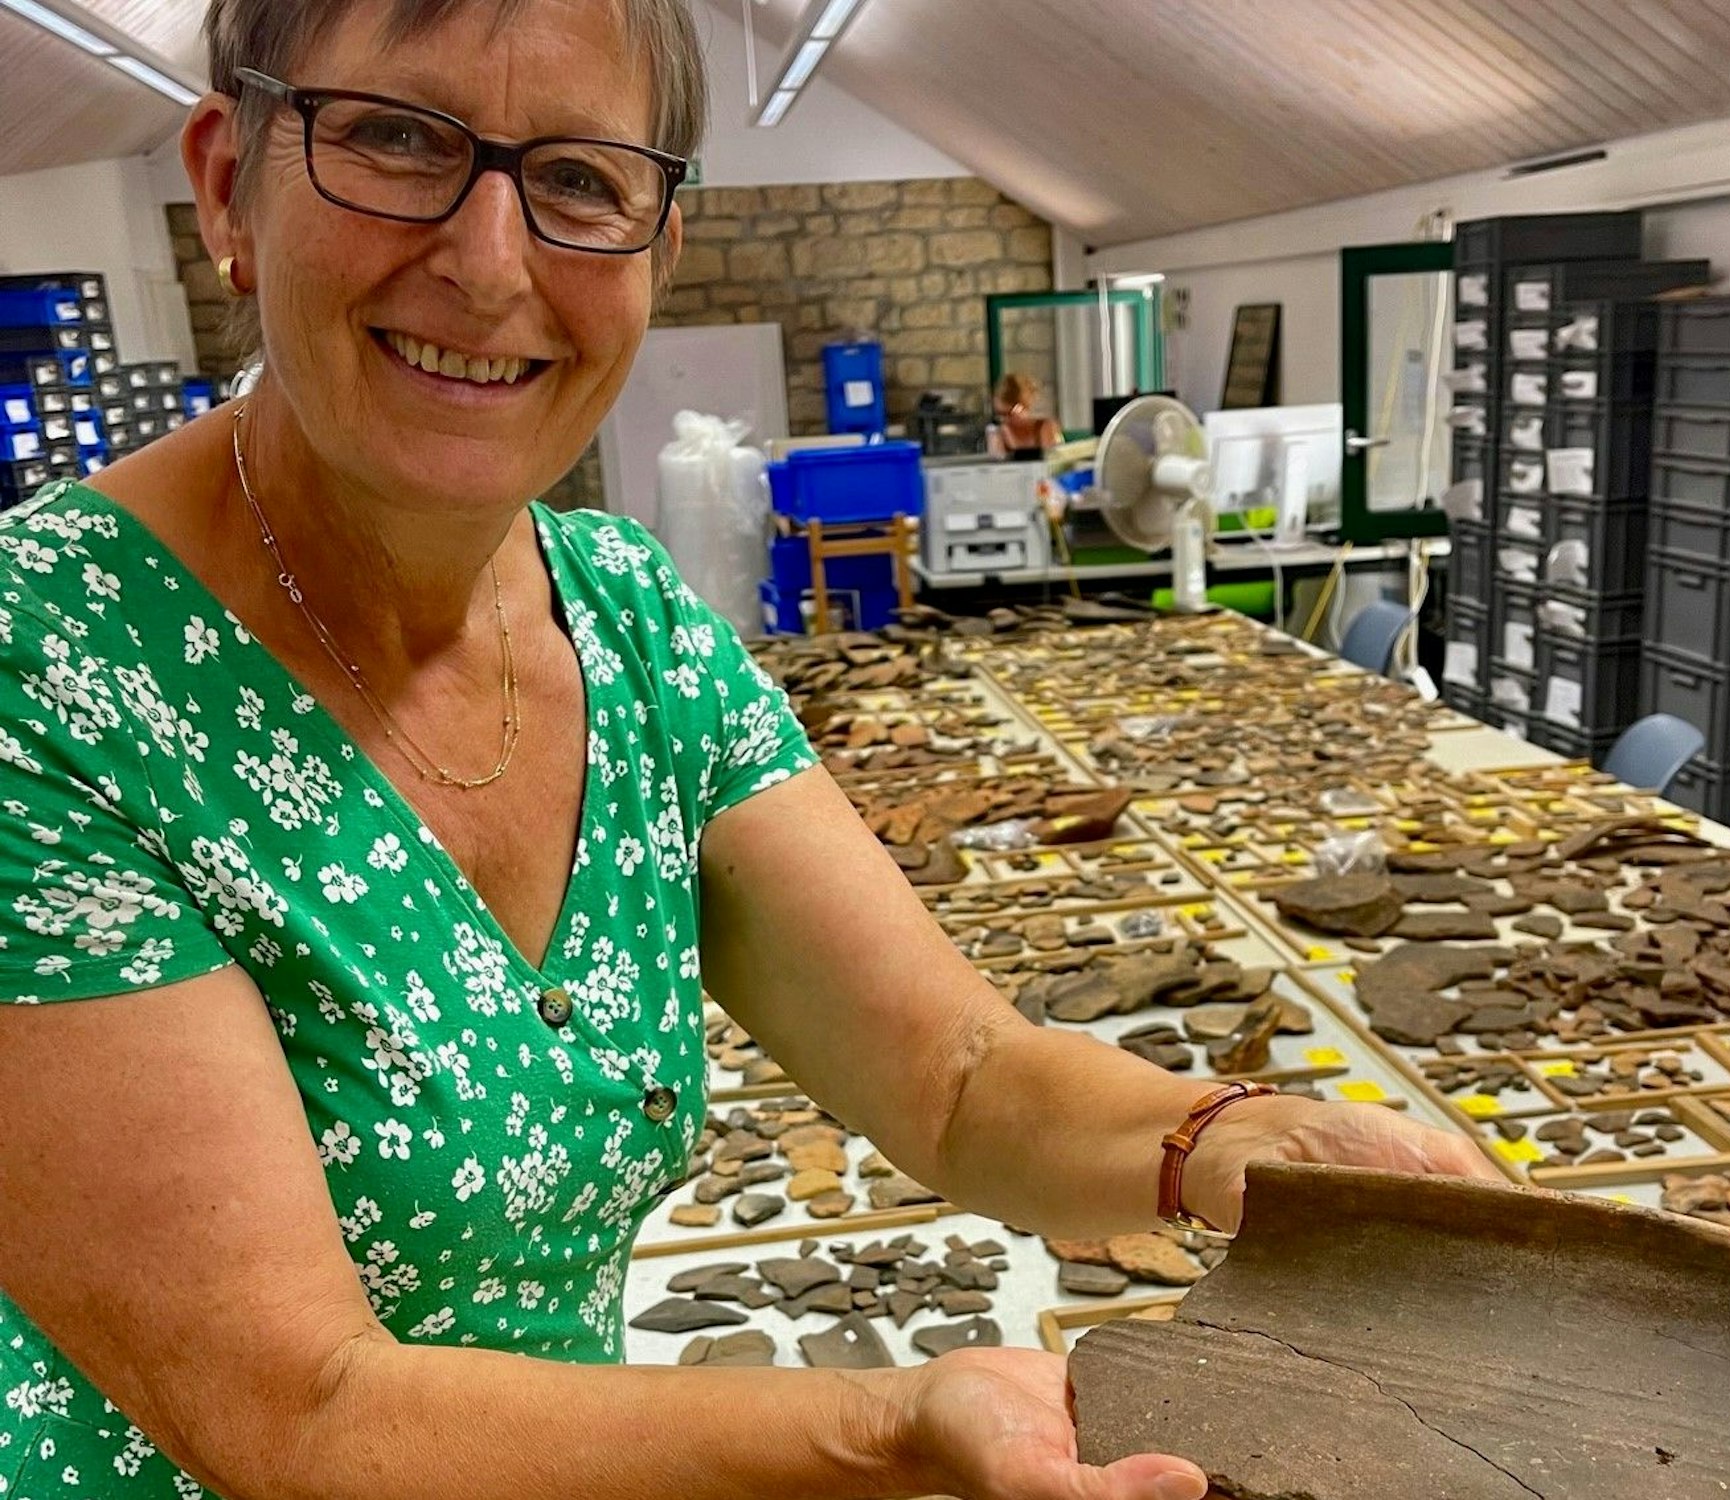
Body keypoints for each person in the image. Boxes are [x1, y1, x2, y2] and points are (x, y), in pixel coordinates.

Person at [0, 2, 1502, 1496]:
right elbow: (296, 1412)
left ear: (659, 247)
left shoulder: (631, 630)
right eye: (397, 140)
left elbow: (960, 1077)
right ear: (228, 184)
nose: (490, 260)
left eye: (580, 178)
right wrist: (889, 1424)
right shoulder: (40, 676)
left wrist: (1231, 1143)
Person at [988, 370, 1065, 457]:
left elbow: (1053, 459)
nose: (1003, 419)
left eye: (1008, 413)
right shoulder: (1000, 432)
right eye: (999, 414)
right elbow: (998, 461)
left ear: (1023, 408)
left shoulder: (1044, 428)